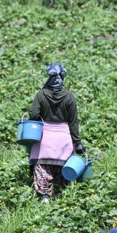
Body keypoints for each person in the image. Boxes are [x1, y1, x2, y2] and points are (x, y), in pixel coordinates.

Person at [28, 62, 85, 203]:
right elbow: (73, 122)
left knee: (42, 165)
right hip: (63, 138)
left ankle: (45, 196)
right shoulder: (69, 97)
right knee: (62, 164)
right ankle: (61, 192)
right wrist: (77, 143)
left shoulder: (41, 95)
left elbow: (33, 114)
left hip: (45, 138)